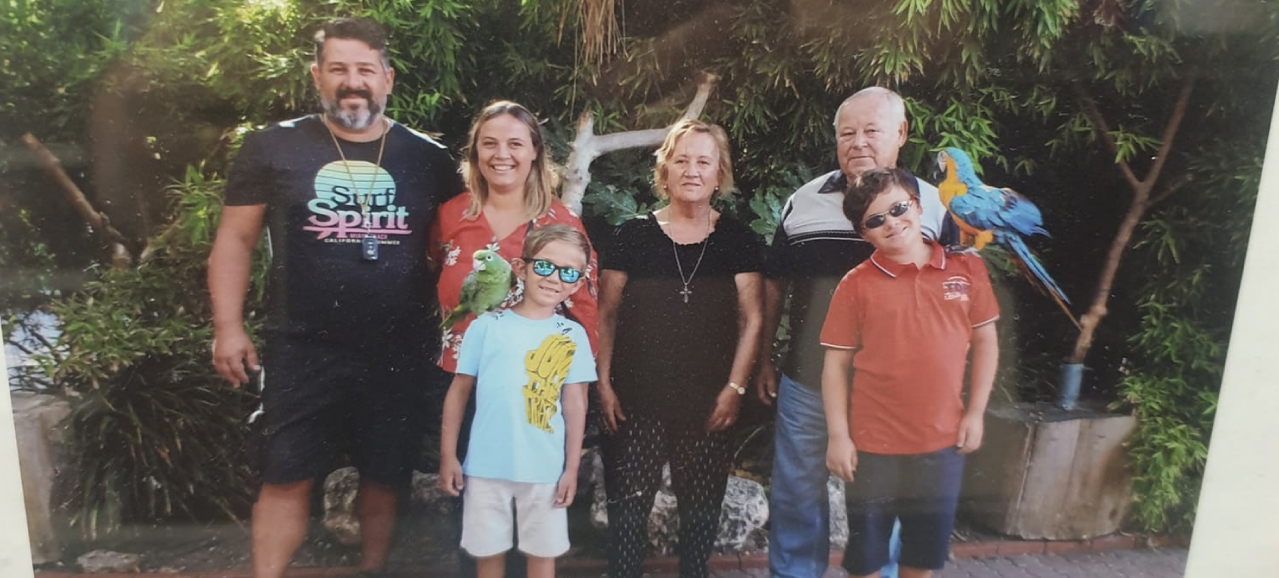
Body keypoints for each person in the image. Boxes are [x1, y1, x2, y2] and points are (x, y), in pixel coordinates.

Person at [207, 17, 460, 578]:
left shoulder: (429, 159)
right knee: (285, 474)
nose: (353, 82)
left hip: (398, 346)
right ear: (316, 76)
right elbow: (235, 240)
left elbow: (457, 248)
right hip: (302, 345)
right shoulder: (273, 147)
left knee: (386, 475)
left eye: (365, 69)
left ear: (387, 78)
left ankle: (372, 570)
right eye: (339, 69)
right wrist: (228, 326)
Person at [755, 87, 953, 578]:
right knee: (797, 494)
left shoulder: (934, 205)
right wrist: (764, 357)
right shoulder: (803, 202)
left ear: (901, 134)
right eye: (847, 133)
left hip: (892, 393)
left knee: (882, 504)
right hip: (807, 380)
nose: (858, 142)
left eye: (871, 131)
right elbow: (774, 285)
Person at [428, 100, 599, 577]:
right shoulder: (450, 216)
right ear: (474, 153)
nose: (501, 154)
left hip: (536, 394)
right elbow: (429, 278)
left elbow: (585, 308)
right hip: (465, 384)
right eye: (489, 143)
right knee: (479, 529)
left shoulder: (560, 223)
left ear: (535, 152)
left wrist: (577, 381)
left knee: (538, 529)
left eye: (515, 144)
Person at [596, 119, 763, 578]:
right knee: (628, 506)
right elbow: (605, 314)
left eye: (704, 162)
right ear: (664, 170)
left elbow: (752, 320)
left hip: (710, 399)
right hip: (634, 399)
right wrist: (603, 383)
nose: (692, 171)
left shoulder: (738, 240)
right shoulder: (631, 236)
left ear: (719, 173)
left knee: (702, 507)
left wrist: (735, 388)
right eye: (682, 160)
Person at [822, 167, 999, 578]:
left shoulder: (966, 269)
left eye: (899, 208)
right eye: (875, 220)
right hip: (873, 446)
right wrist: (838, 436)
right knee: (866, 558)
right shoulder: (855, 285)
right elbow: (835, 365)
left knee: (922, 556)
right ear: (863, 234)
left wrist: (975, 413)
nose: (892, 223)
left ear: (918, 207)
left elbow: (987, 343)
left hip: (941, 443)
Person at [438, 224, 596, 578]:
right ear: (521, 268)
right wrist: (448, 455)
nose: (554, 278)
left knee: (542, 554)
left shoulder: (573, 335)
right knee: (487, 553)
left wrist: (571, 468)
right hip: (484, 466)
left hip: (545, 469)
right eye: (545, 266)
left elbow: (576, 405)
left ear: (577, 284)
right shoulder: (485, 327)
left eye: (568, 272)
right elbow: (458, 393)